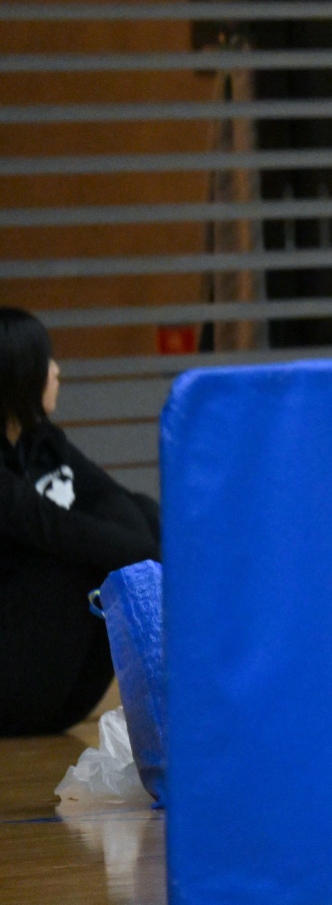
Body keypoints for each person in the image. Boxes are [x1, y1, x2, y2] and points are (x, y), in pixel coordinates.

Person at [0, 308, 161, 737]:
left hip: (61, 691)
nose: (57, 372)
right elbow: (55, 529)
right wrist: (153, 560)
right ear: (18, 374)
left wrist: (151, 550)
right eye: (45, 362)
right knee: (78, 558)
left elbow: (112, 497)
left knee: (142, 511)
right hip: (10, 679)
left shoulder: (44, 442)